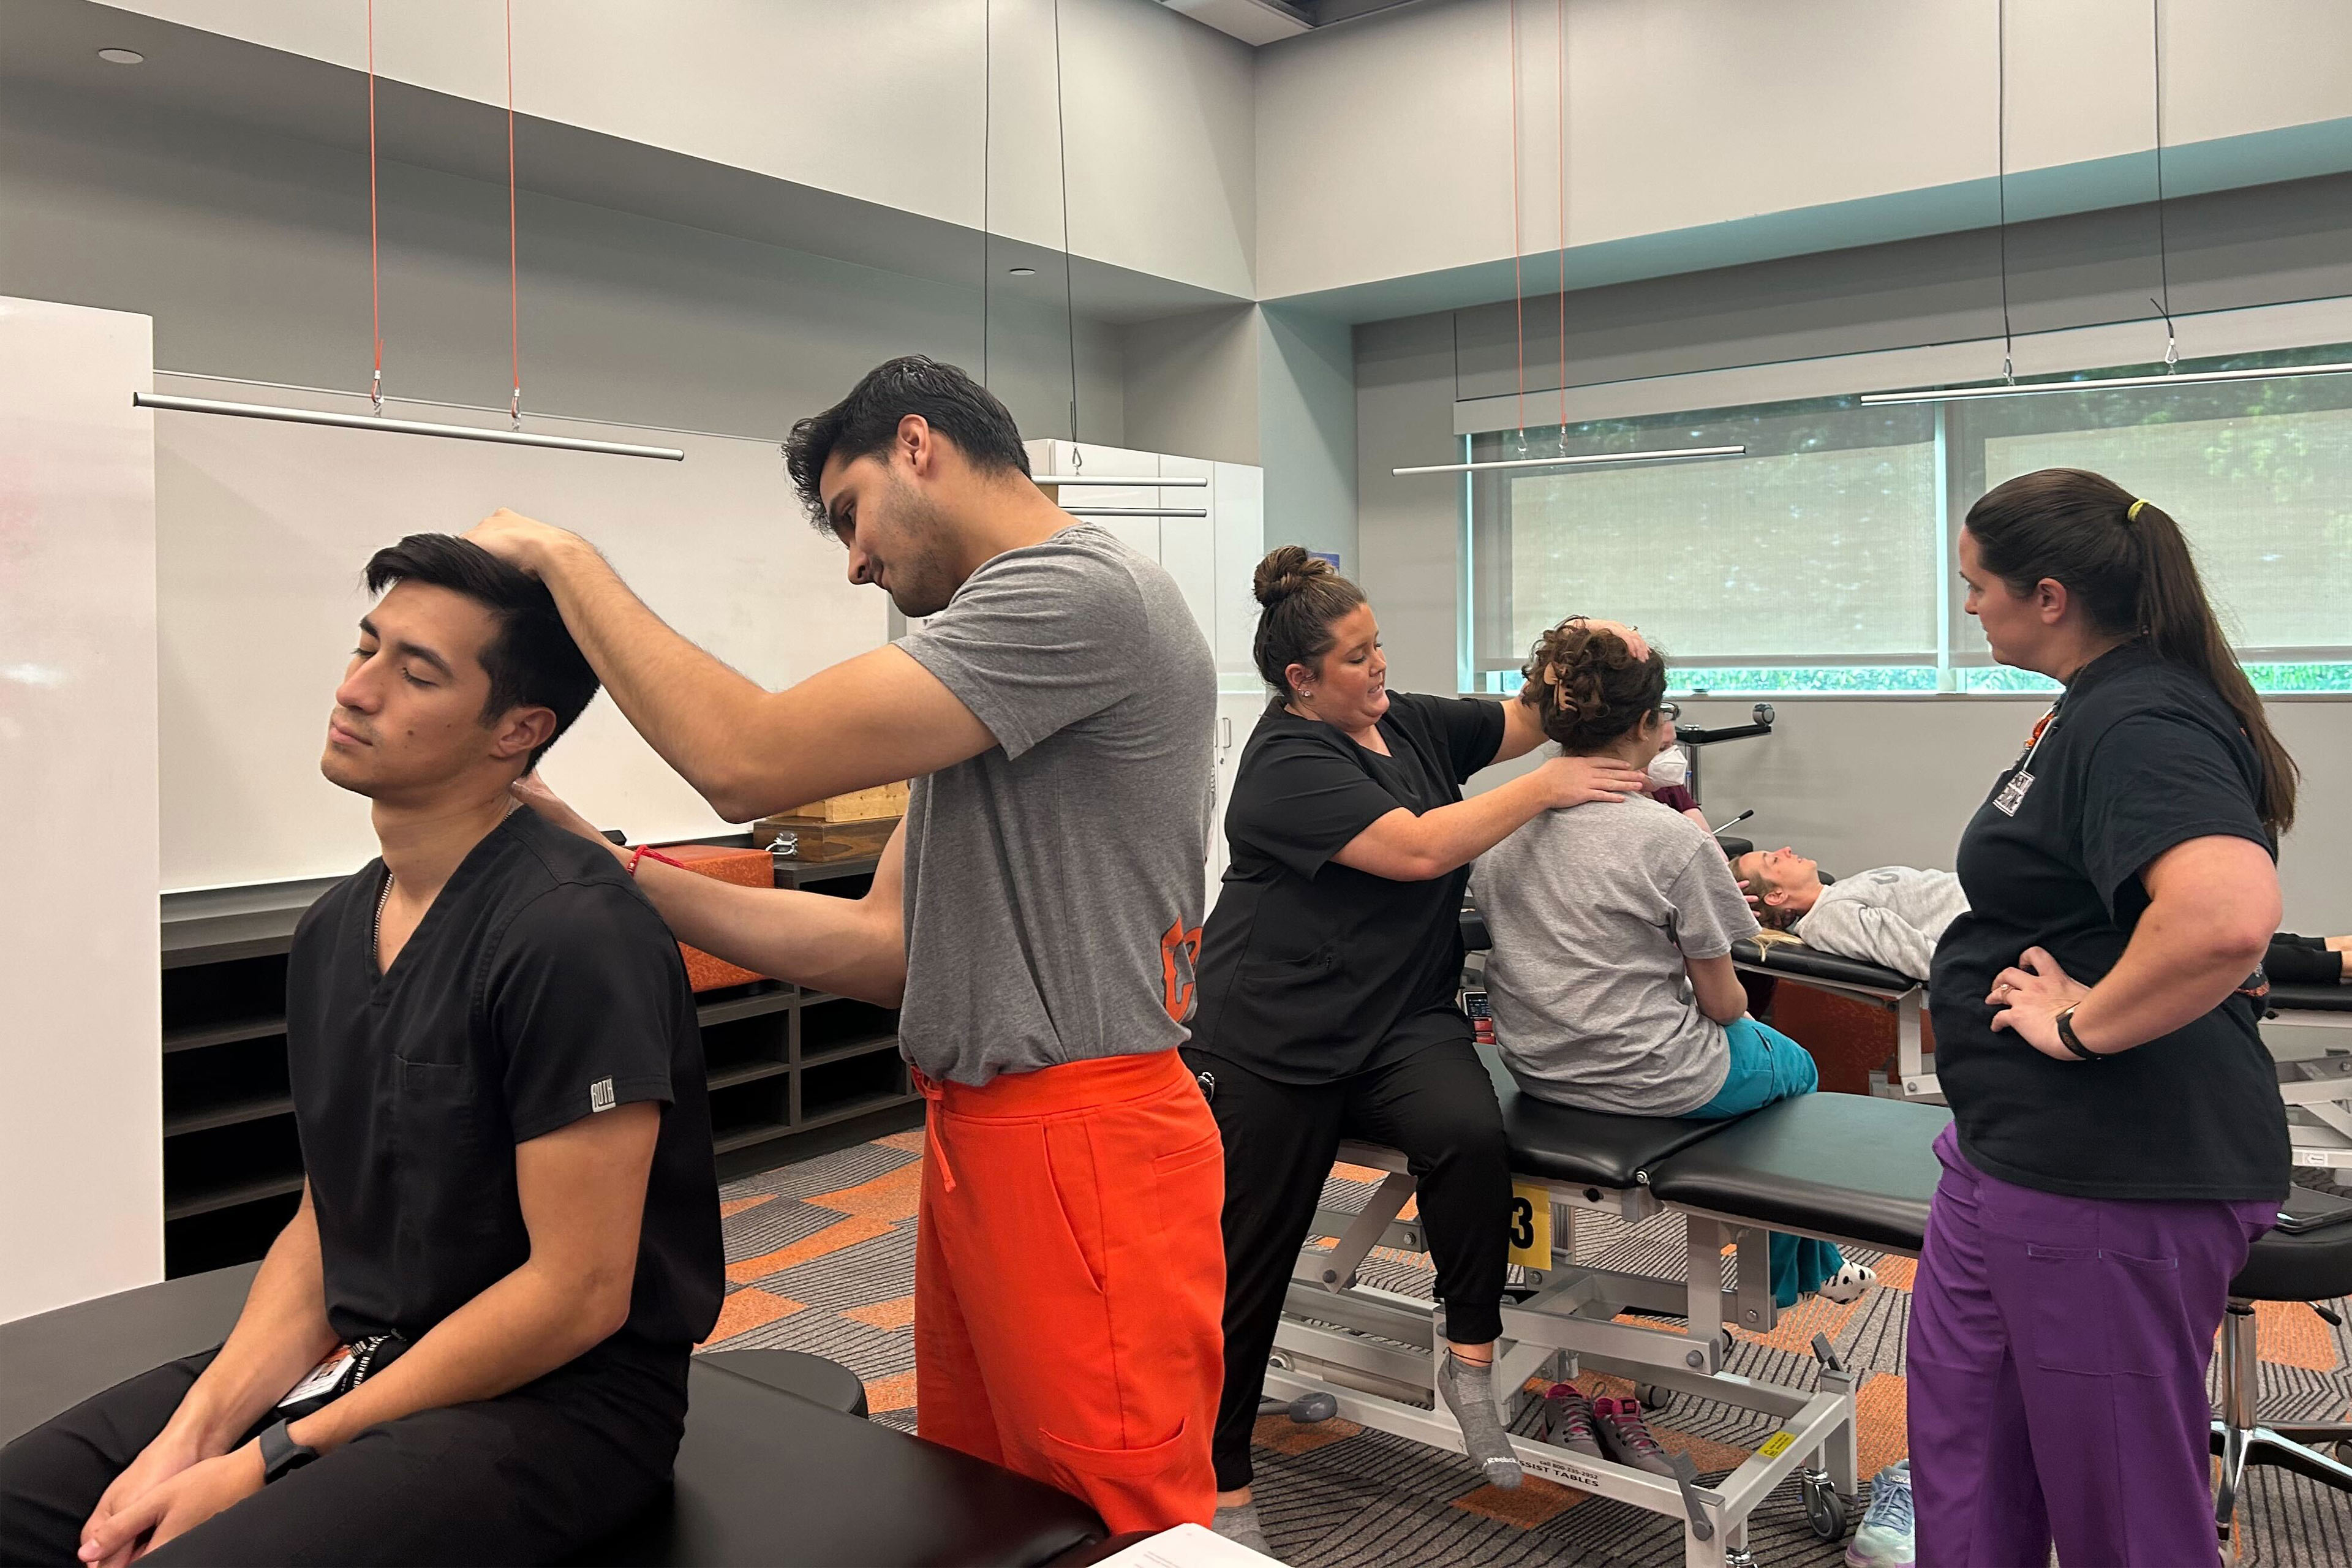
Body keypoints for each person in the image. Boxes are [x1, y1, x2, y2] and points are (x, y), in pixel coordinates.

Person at [462, 356, 1223, 1534]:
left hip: (1087, 1137)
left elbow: (746, 761)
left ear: (917, 443)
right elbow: (885, 948)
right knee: (994, 1510)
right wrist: (621, 876)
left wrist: (568, 561)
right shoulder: (989, 686)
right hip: (987, 1134)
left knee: (1119, 1522)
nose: (855, 557)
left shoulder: (1078, 594)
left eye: (850, 512)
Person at [0, 536, 722, 1566]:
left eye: (416, 671)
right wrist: (196, 1435)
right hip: (366, 1357)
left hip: (562, 1403)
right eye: (366, 647)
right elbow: (328, 1218)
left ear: (518, 729)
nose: (359, 687)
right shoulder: (334, 930)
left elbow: (578, 1294)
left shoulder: (574, 934)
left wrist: (267, 1460)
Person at [1183, 557, 1652, 1550]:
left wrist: (1596, 648)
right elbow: (1420, 848)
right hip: (1274, 1038)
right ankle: (1218, 1485)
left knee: (1471, 1137)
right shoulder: (1284, 767)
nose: (1379, 666)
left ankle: (1470, 1362)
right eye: (1357, 658)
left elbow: (1529, 717)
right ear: (1302, 680)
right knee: (1247, 1259)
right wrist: (1547, 789)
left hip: (1403, 1021)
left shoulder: (1415, 723)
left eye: (1378, 643)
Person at [1910, 469, 2296, 1566]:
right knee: (1967, 1464)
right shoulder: (2094, 703)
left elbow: (2225, 918)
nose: (1968, 607)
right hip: (2009, 1153)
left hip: (2115, 1175)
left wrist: (2079, 1026)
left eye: (1976, 586)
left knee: (2125, 1520)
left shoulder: (2142, 711)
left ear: (2048, 595)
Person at [1473, 619, 1879, 1313]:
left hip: (1539, 1069)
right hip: (1659, 1077)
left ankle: (1803, 1260)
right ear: (1649, 726)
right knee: (1796, 1067)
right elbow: (1724, 1007)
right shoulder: (1673, 841)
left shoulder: (1497, 831)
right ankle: (1788, 1277)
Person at [1739, 845, 2347, 988]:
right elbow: (1922, 956)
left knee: (2212, 927)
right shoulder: (1830, 918)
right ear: (1777, 902)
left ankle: (2335, 950)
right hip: (2031, 935)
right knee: (2201, 944)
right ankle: (2337, 964)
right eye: (1775, 860)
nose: (1788, 851)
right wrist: (2004, 968)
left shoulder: (1842, 891)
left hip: (2037, 915)